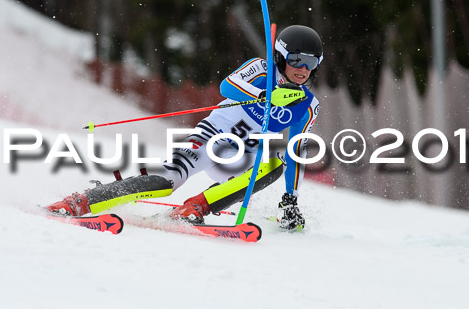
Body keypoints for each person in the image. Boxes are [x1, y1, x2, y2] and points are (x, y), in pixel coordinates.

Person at [47, 25, 323, 230]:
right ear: (280, 57)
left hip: (243, 157)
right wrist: (261, 94)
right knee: (165, 181)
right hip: (211, 138)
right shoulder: (261, 69)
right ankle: (80, 201)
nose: (303, 69)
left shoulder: (308, 105)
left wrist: (291, 200)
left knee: (274, 164)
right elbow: (228, 86)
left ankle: (194, 207)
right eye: (297, 60)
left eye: (311, 64)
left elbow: (295, 152)